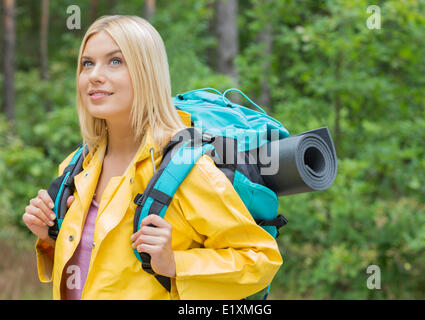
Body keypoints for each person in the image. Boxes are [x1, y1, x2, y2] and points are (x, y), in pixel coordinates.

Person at [22, 15, 282, 300]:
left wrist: (174, 264)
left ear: (147, 71)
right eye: (87, 63)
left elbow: (260, 259)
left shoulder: (187, 170)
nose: (94, 74)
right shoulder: (76, 166)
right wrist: (49, 235)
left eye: (115, 61)